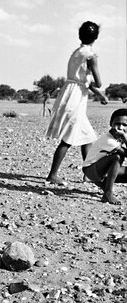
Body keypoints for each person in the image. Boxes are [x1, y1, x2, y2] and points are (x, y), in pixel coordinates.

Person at [46, 21, 108, 185]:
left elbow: (80, 81)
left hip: (69, 93)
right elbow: (98, 82)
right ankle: (52, 175)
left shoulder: (76, 53)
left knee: (87, 137)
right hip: (75, 98)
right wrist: (100, 92)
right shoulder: (90, 56)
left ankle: (88, 174)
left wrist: (99, 96)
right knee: (68, 138)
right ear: (96, 38)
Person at [83, 109, 127, 204]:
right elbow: (125, 154)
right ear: (111, 123)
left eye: (124, 125)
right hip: (90, 169)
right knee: (118, 157)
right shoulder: (108, 140)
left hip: (102, 170)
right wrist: (124, 136)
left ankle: (104, 184)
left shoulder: (120, 136)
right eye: (117, 123)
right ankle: (108, 193)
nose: (120, 127)